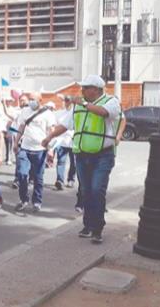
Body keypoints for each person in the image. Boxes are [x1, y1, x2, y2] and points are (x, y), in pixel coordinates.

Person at [42, 75, 122, 244]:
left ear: (96, 89)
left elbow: (104, 113)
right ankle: (88, 225)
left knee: (96, 190)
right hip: (82, 154)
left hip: (103, 154)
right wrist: (49, 137)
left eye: (86, 87)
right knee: (85, 191)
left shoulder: (110, 101)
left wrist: (84, 104)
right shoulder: (77, 107)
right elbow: (65, 125)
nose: (82, 91)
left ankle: (97, 228)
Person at [13, 92, 57, 213]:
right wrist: (16, 142)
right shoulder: (25, 111)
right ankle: (24, 199)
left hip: (40, 150)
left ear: (40, 100)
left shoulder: (48, 114)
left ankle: (37, 201)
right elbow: (21, 128)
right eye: (30, 99)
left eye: (33, 99)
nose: (31, 101)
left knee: (38, 177)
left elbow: (51, 132)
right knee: (22, 174)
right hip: (25, 148)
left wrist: (50, 150)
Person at [9, 95, 29, 188]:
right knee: (19, 160)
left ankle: (28, 178)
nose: (23, 102)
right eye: (21, 100)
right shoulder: (17, 112)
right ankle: (17, 179)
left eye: (24, 100)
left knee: (28, 162)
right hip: (19, 139)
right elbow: (11, 119)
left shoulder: (32, 112)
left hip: (30, 141)